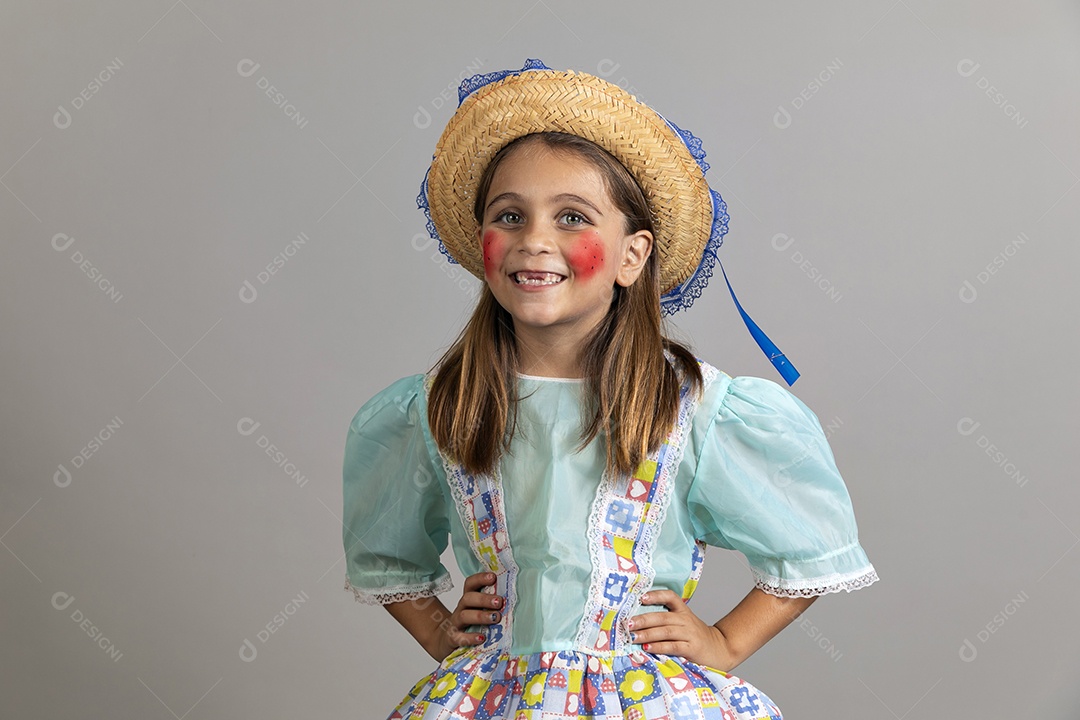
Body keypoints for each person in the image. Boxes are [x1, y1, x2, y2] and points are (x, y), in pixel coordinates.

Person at [342, 59, 878, 719]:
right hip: (494, 696)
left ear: (632, 256)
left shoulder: (690, 408)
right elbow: (388, 553)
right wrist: (437, 631)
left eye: (571, 217)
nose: (534, 240)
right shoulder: (441, 406)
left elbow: (806, 545)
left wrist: (724, 642)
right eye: (509, 215)